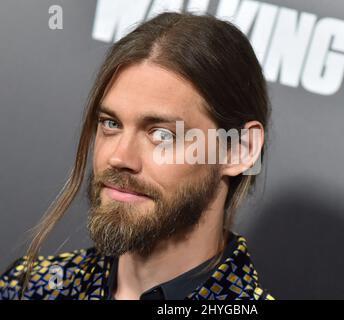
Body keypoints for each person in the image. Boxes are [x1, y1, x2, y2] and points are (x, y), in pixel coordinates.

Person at [0, 12, 274, 300]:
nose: (120, 157)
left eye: (162, 135)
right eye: (111, 124)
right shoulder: (30, 287)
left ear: (239, 149)